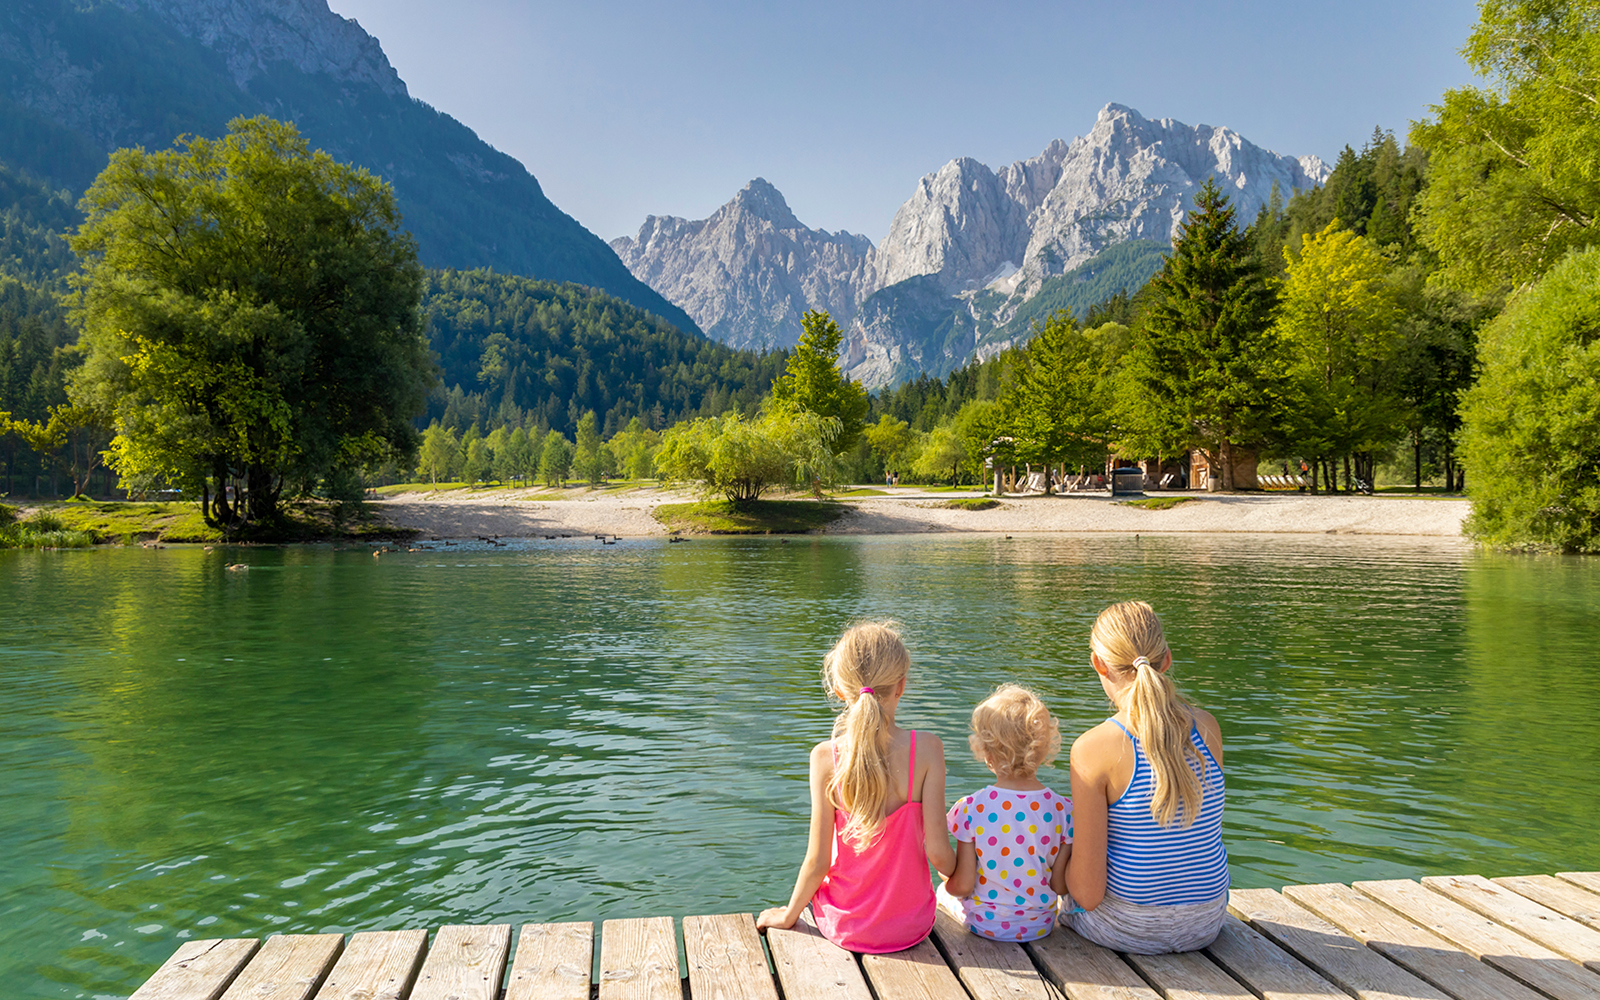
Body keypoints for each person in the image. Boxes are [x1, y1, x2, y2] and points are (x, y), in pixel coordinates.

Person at [757, 622, 955, 952]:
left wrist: (789, 914)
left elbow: (818, 861)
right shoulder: (929, 749)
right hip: (911, 927)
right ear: (901, 686)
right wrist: (964, 875)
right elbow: (938, 852)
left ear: (839, 691)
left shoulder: (825, 757)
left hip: (844, 926)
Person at [1061, 601, 1228, 954]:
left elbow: (1087, 895)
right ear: (1166, 659)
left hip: (1127, 929)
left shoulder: (1092, 748)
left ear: (1098, 665)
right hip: (1207, 922)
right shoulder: (1208, 727)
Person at [938, 684, 1071, 941]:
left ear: (986, 751)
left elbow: (963, 885)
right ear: (1042, 749)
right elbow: (1059, 885)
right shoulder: (1063, 810)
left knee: (942, 893)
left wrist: (946, 880)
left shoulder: (971, 808)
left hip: (984, 925)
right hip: (1040, 926)